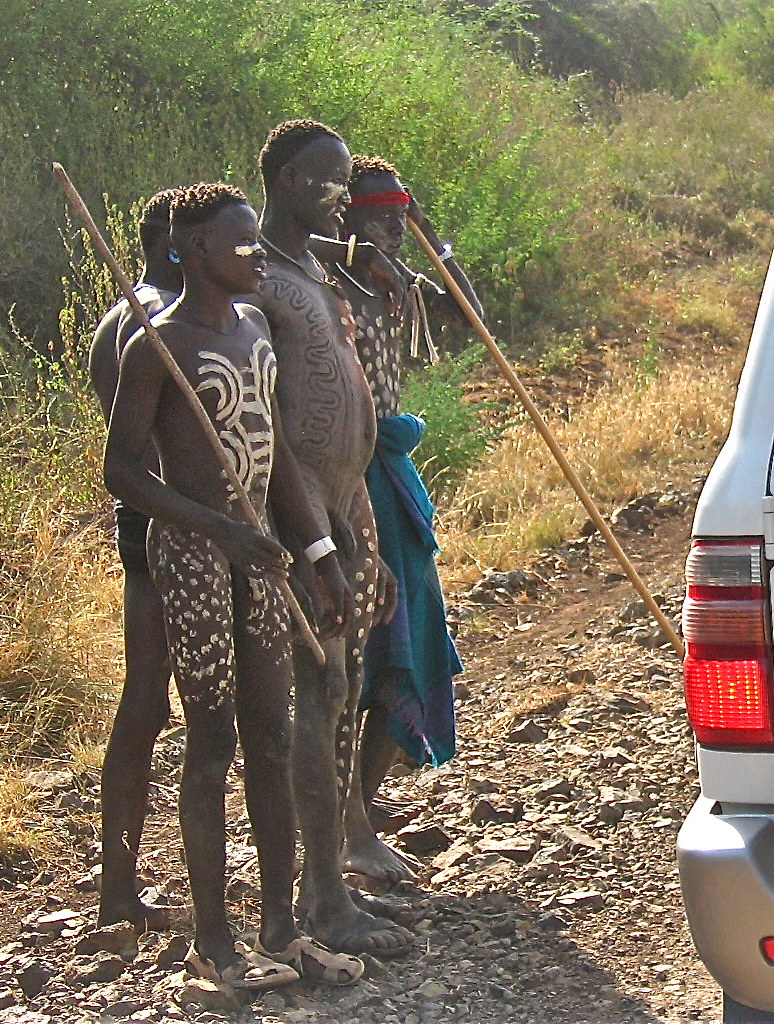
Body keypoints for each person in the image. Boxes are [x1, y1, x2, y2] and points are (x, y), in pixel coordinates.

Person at [104, 181, 363, 987]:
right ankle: (214, 945)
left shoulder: (253, 327)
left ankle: (282, 930)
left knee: (273, 735)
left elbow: (277, 452)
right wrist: (218, 531)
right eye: (241, 244)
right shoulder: (158, 346)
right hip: (193, 560)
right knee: (211, 741)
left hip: (260, 557)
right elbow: (121, 473)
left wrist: (319, 552)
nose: (257, 255)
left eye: (258, 240)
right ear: (194, 252)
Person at [254, 120, 414, 956]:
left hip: (345, 511)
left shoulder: (317, 270)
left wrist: (361, 533)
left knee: (341, 691)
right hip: (293, 525)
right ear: (282, 181)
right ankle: (315, 905)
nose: (339, 196)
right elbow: (266, 430)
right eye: (323, 181)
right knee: (311, 700)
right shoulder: (253, 283)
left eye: (344, 181)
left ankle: (328, 890)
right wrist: (313, 540)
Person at [333, 155, 483, 884]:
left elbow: (470, 312)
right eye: (379, 214)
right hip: (343, 474)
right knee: (370, 643)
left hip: (390, 468)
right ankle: (344, 822)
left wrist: (429, 231)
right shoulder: (328, 288)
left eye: (399, 213)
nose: (390, 226)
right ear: (344, 216)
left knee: (410, 633)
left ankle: (361, 799)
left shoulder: (401, 285)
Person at [89, 188, 183, 931]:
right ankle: (124, 890)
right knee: (180, 704)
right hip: (176, 523)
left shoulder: (118, 318)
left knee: (145, 700)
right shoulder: (157, 318)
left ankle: (118, 884)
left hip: (144, 521)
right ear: (174, 245)